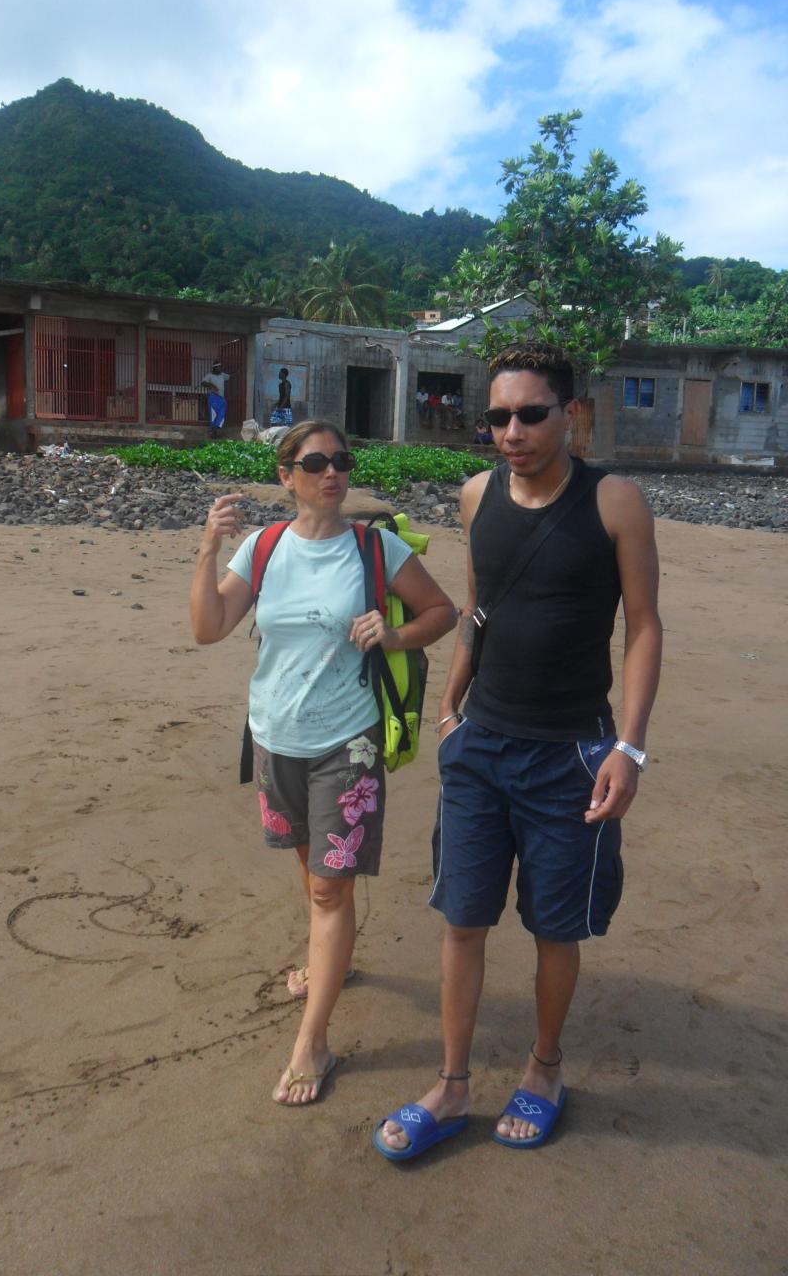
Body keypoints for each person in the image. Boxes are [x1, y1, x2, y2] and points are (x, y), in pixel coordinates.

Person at [374, 342, 662, 1159]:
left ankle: (543, 1069)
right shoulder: (475, 497)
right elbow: (480, 607)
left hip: (571, 754)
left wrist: (629, 750)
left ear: (571, 414)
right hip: (481, 747)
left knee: (552, 929)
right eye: (497, 416)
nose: (511, 431)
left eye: (530, 414)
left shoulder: (615, 503)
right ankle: (454, 1082)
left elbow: (644, 628)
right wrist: (451, 703)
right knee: (462, 921)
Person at [190, 421, 457, 1106]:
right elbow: (208, 627)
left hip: (349, 740)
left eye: (342, 461)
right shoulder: (264, 546)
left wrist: (393, 632)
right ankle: (326, 958)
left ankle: (314, 1041)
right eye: (315, 463)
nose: (332, 473)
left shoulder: (375, 546)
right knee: (312, 872)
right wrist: (208, 548)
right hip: (276, 736)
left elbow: (442, 612)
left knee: (328, 890)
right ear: (287, 477)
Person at [202, 360, 230, 440]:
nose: (220, 369)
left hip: (221, 398)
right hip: (213, 397)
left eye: (220, 367)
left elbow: (230, 376)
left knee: (221, 415)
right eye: (218, 367)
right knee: (213, 415)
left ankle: (216, 432)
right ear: (214, 368)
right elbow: (203, 383)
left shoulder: (222, 375)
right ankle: (212, 432)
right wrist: (212, 385)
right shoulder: (209, 375)